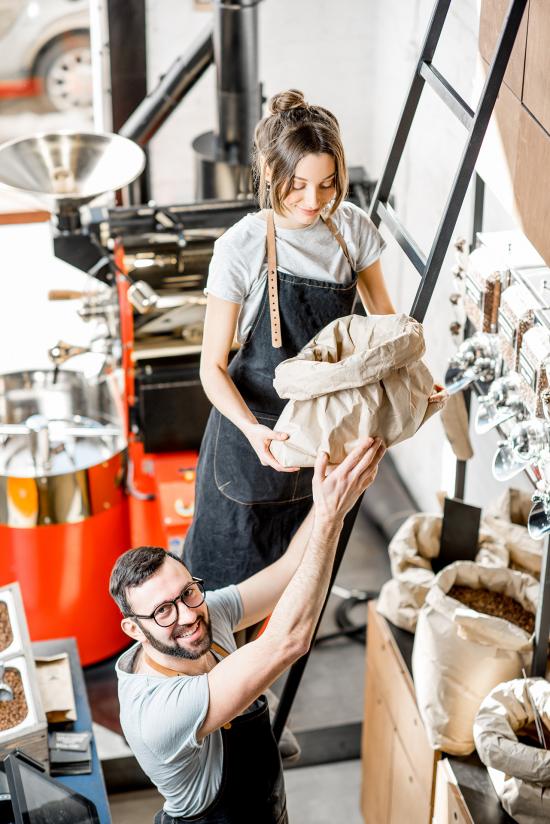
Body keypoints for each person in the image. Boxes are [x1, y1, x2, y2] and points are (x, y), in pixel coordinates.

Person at [183, 88, 398, 591]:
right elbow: (211, 368)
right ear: (268, 170)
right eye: (297, 184)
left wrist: (413, 375)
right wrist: (252, 432)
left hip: (324, 440)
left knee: (299, 592)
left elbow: (385, 323)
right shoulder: (242, 246)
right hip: (253, 443)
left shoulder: (353, 230)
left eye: (327, 185)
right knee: (222, 599)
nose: (312, 201)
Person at [110, 437, 385, 824]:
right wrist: (329, 519)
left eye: (188, 592)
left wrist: (339, 493)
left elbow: (289, 570)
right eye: (162, 612)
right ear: (134, 629)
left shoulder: (203, 613)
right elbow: (289, 641)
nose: (187, 616)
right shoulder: (158, 712)